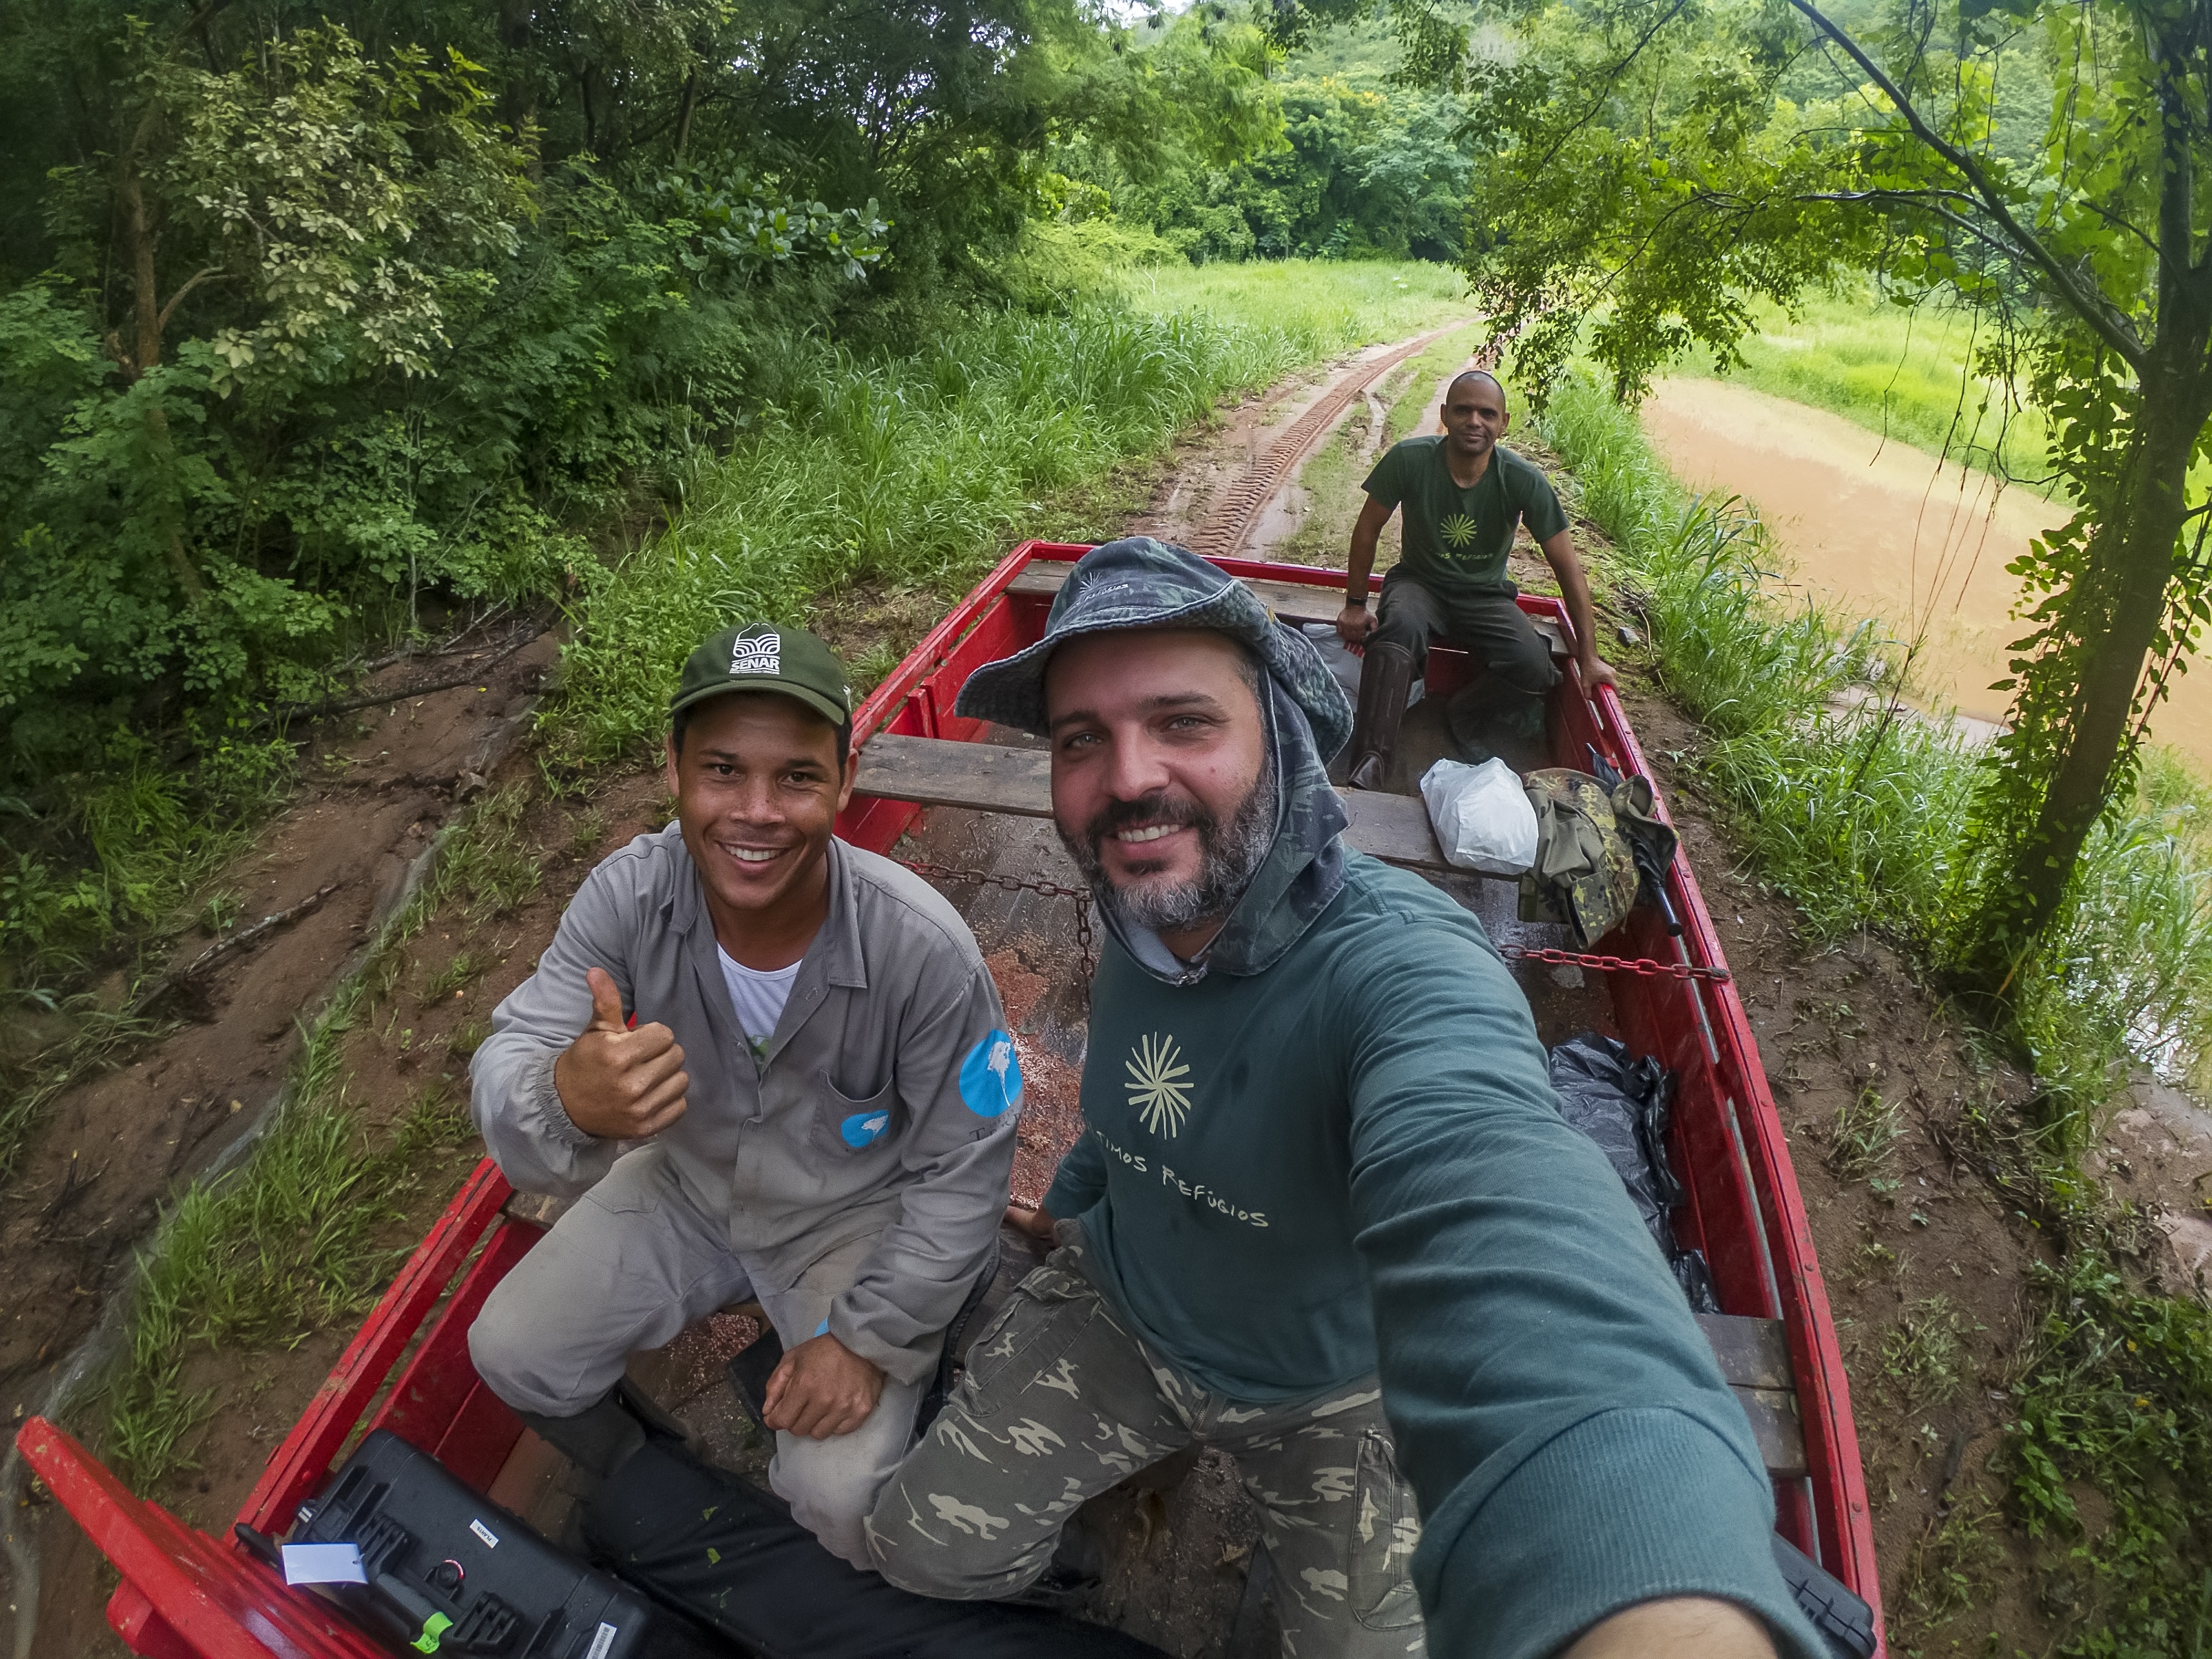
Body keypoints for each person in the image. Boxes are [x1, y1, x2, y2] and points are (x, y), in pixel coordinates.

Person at [864, 540, 1820, 1659]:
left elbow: (1510, 1222)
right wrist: (1079, 1196)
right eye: (1083, 738)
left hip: (1331, 1394)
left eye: (1181, 722)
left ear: (1276, 734)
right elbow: (1130, 1108)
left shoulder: (1403, 974)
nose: (1126, 779)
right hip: (1128, 1306)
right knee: (914, 1552)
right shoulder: (1144, 908)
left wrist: (1643, 1580)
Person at [467, 623, 1020, 1568]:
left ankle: (895, 1406)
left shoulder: (922, 951)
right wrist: (567, 1098)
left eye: (797, 778)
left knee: (837, 1499)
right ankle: (661, 1491)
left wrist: (869, 1339)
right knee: (514, 1350)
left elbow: (966, 1171)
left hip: (856, 1216)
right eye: (723, 771)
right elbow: (511, 1055)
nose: (756, 812)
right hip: (690, 1186)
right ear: (674, 769)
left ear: (845, 785)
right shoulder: (627, 900)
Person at [1338, 368, 1616, 789]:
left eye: (1487, 414)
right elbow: (1367, 530)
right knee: (1399, 628)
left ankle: (1463, 712)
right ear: (1445, 415)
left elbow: (1568, 567)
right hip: (1419, 584)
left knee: (1533, 665)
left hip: (1484, 596)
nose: (1475, 422)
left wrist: (1590, 657)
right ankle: (1372, 757)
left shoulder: (1522, 480)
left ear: (1503, 424)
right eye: (1464, 411)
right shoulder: (1410, 460)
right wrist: (1356, 605)